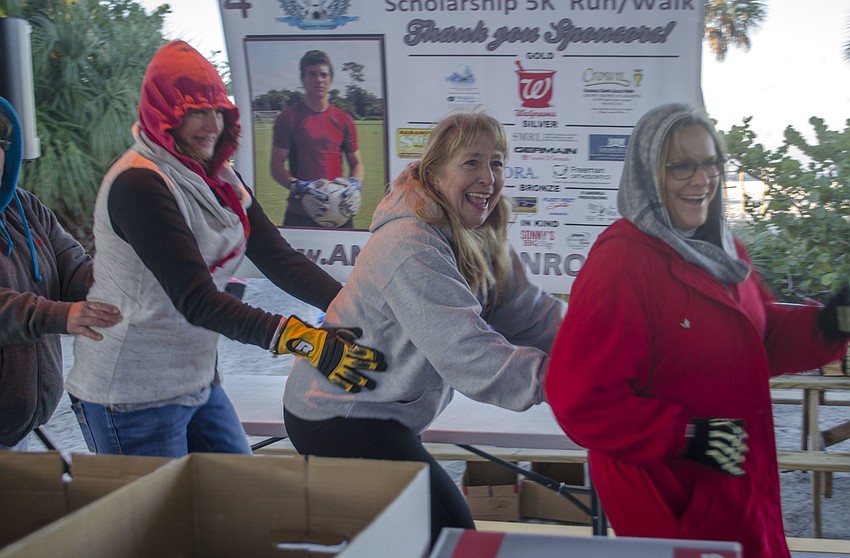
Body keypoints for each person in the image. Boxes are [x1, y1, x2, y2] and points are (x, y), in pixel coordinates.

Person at [544, 103, 850, 558]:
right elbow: (578, 399)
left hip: (737, 483)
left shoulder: (721, 247)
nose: (701, 179)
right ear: (648, 173)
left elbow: (758, 339)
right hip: (673, 498)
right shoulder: (621, 264)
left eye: (709, 163)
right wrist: (686, 436)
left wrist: (832, 321)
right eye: (680, 166)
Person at [65, 40, 384, 458]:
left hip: (196, 378)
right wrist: (303, 339)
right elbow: (197, 300)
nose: (212, 124)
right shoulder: (139, 183)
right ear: (164, 114)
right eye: (196, 110)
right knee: (164, 521)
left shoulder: (220, 178)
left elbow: (279, 259)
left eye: (218, 111)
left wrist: (356, 309)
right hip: (129, 391)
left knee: (240, 501)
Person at [283, 110, 566, 546]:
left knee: (408, 538)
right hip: (338, 413)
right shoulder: (410, 243)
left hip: (384, 409)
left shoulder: (479, 231)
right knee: (449, 531)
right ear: (434, 172)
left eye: (497, 162)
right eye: (471, 162)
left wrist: (595, 349)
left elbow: (528, 312)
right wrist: (572, 382)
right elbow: (469, 355)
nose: (488, 177)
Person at [0, 97, 122, 451]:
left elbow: (74, 271)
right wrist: (60, 315)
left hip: (15, 429)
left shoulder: (27, 207)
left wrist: (127, 275)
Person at [270, 49, 364, 228]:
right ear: (302, 79)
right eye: (312, 74)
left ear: (331, 79)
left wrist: (355, 184)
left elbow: (357, 163)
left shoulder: (343, 119)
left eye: (323, 75)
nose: (319, 80)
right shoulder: (288, 118)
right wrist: (299, 187)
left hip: (339, 211)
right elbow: (276, 165)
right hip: (300, 212)